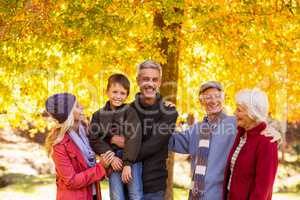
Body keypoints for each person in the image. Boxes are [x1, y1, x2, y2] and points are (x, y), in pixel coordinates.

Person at [168, 81, 281, 200]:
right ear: (201, 101)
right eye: (208, 97)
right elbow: (170, 141)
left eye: (218, 96)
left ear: (224, 99)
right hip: (195, 196)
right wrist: (165, 116)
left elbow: (256, 120)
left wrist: (273, 131)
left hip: (220, 196)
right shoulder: (195, 130)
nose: (213, 101)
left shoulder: (235, 124)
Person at [110, 60, 178, 200]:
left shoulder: (169, 112)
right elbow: (111, 141)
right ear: (138, 80)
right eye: (145, 79)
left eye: (154, 80)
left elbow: (152, 146)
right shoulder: (125, 110)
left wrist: (126, 146)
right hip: (126, 183)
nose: (150, 84)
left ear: (159, 82)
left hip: (153, 188)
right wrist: (111, 142)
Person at [45, 93, 114, 200]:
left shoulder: (86, 130)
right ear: (68, 115)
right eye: (77, 106)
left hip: (93, 194)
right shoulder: (59, 145)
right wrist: (101, 167)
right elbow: (71, 181)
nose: (82, 107)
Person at [88, 74, 143, 200]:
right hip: (112, 159)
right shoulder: (98, 115)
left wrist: (128, 163)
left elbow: (134, 137)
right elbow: (94, 139)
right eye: (115, 92)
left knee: (135, 194)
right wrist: (111, 157)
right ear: (107, 91)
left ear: (127, 95)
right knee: (116, 195)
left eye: (122, 93)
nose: (118, 96)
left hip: (131, 159)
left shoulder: (130, 112)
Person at [223, 89, 278, 200]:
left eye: (239, 110)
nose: (234, 113)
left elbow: (262, 189)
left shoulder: (267, 142)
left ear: (252, 114)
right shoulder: (241, 134)